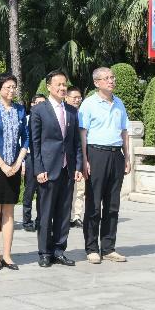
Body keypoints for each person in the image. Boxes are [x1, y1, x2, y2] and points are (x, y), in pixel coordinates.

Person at [79, 66, 133, 264]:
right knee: (93, 203)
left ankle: (109, 247)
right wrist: (84, 160)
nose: (111, 81)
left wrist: (126, 157)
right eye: (106, 78)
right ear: (96, 83)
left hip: (115, 155)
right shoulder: (88, 104)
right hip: (96, 154)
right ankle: (92, 247)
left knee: (112, 204)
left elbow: (124, 132)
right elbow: (82, 134)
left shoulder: (119, 104)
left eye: (112, 77)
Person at [29, 70, 83, 267]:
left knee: (63, 213)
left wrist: (78, 165)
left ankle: (59, 250)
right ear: (49, 87)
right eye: (58, 84)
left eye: (64, 84)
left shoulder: (72, 111)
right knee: (46, 213)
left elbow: (76, 141)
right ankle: (44, 252)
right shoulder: (38, 110)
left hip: (66, 169)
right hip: (47, 169)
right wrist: (38, 169)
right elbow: (35, 143)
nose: (62, 88)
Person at [0, 73, 29, 270]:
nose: (11, 90)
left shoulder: (20, 110)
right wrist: (2, 165)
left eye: (14, 87)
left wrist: (18, 162)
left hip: (14, 165)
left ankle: (8, 255)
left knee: (9, 211)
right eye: (7, 87)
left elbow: (25, 139)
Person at [21, 93, 47, 232]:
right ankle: (27, 220)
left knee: (42, 192)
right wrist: (23, 164)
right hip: (30, 158)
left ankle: (40, 220)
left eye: (44, 103)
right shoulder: (27, 120)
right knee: (29, 192)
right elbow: (23, 142)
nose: (41, 106)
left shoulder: (48, 119)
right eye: (38, 103)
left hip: (44, 159)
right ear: (32, 105)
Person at [66, 86, 85, 228]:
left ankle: (77, 215)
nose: (77, 100)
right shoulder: (63, 112)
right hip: (66, 157)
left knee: (80, 189)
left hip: (81, 155)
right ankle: (65, 216)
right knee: (67, 190)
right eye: (74, 97)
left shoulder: (83, 113)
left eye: (79, 97)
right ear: (66, 97)